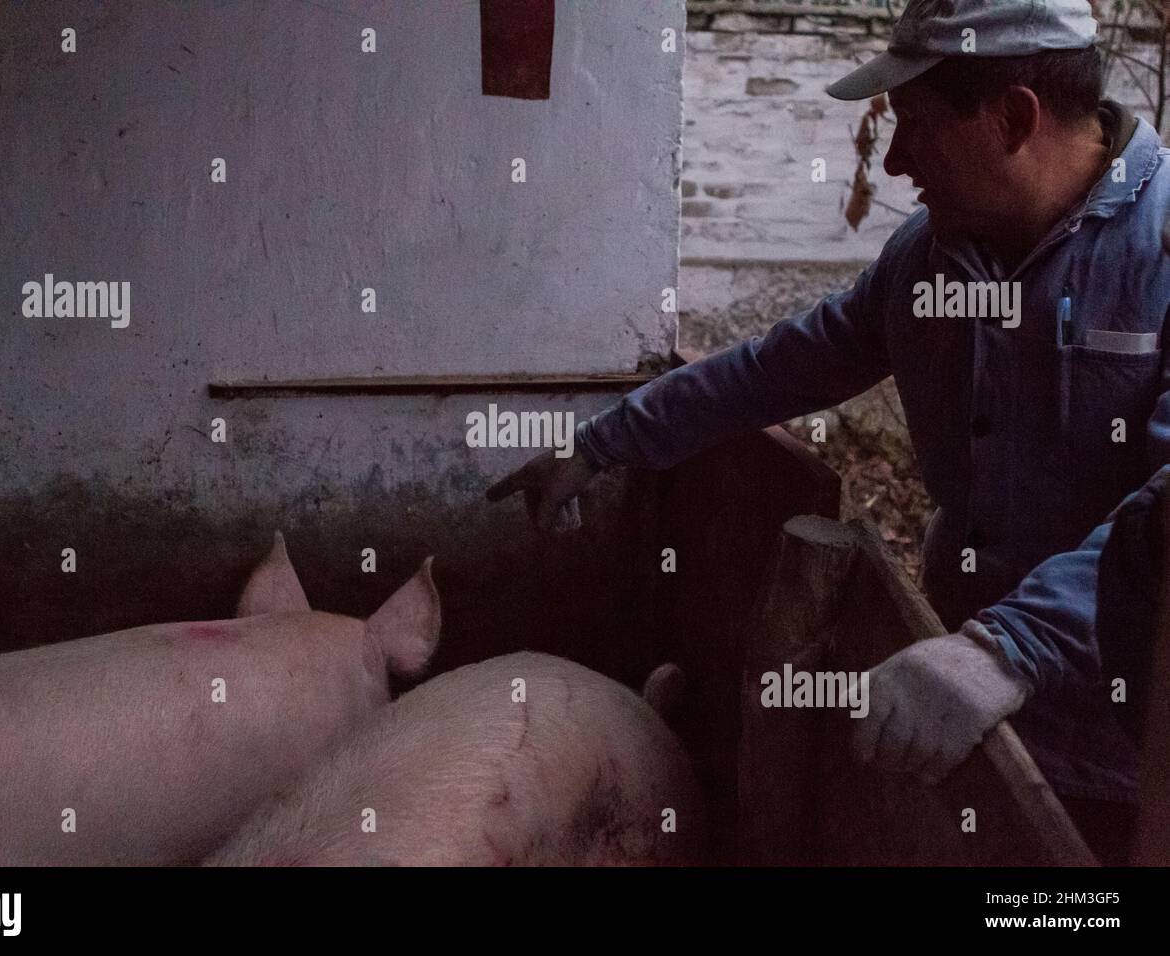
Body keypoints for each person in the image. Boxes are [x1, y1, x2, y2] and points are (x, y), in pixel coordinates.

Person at [488, 0, 1170, 863]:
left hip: (1125, 757)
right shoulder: (930, 256)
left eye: (915, 126)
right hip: (952, 714)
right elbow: (786, 365)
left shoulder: (1162, 249)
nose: (891, 161)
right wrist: (607, 441)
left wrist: (1012, 648)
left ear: (1012, 117)